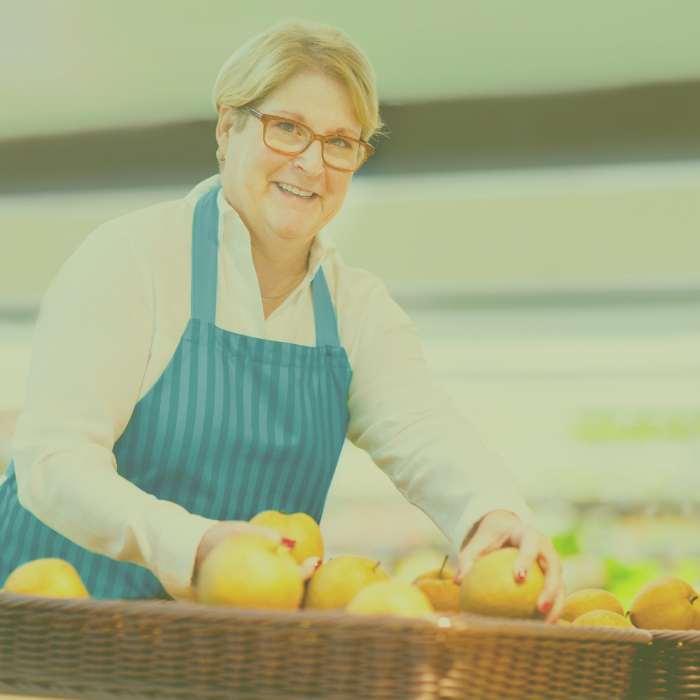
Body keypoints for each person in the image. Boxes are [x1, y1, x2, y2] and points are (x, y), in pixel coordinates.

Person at [0, 19, 565, 619]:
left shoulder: (357, 309)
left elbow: (425, 429)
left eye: (339, 142)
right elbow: (53, 462)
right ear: (227, 126)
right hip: (49, 646)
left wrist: (494, 513)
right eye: (287, 128)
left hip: (227, 664)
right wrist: (196, 545)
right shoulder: (131, 260)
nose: (311, 164)